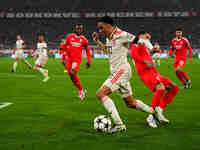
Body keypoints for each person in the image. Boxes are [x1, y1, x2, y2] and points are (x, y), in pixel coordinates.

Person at [92, 16, 159, 133]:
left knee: (101, 93)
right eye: (99, 29)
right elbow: (108, 52)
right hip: (117, 71)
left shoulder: (121, 34)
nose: (100, 31)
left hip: (121, 71)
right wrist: (97, 42)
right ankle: (153, 112)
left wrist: (152, 48)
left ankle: (119, 125)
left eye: (101, 28)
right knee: (130, 103)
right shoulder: (109, 38)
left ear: (109, 26)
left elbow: (140, 40)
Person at [130, 32, 179, 128]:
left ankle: (159, 110)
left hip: (154, 73)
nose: (148, 38)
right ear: (140, 36)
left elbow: (147, 53)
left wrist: (153, 50)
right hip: (145, 73)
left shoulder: (144, 47)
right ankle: (151, 116)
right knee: (160, 89)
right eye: (146, 36)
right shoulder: (135, 45)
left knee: (174, 88)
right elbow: (134, 55)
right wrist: (145, 62)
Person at [64, 24, 91, 100]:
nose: (79, 30)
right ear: (75, 29)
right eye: (77, 29)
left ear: (82, 30)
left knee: (72, 73)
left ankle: (81, 91)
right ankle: (81, 90)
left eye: (80, 29)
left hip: (77, 60)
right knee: (71, 76)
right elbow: (65, 46)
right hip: (69, 59)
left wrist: (89, 60)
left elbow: (87, 50)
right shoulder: (70, 37)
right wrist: (64, 57)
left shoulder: (84, 39)